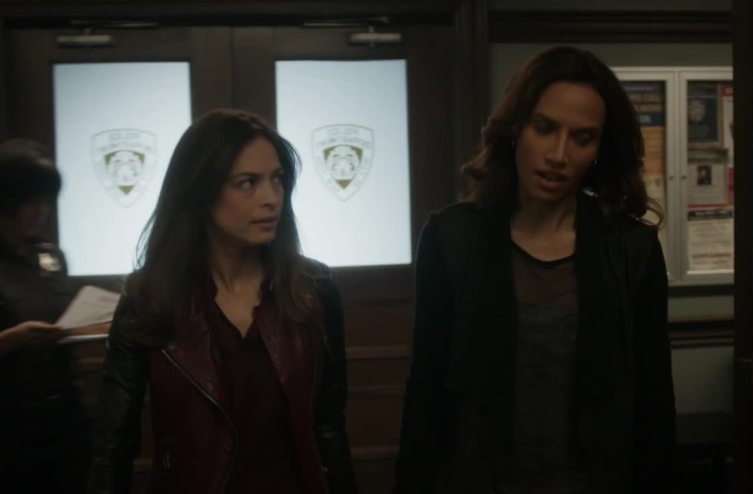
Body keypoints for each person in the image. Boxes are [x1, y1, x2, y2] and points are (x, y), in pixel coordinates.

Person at [395, 46, 675, 493]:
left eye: (582, 138)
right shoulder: (452, 239)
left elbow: (654, 404)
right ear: (515, 129)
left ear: (600, 149)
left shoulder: (631, 250)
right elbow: (426, 394)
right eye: (544, 129)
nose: (558, 154)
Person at [87, 109, 357, 493]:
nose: (271, 199)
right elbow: (112, 447)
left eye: (277, 179)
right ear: (201, 192)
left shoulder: (313, 289)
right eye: (247, 183)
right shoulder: (150, 297)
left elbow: (328, 428)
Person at [0, 139, 90, 493]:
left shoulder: (50, 255)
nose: (43, 212)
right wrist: (15, 338)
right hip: (11, 427)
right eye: (32, 202)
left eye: (47, 202)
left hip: (64, 418)